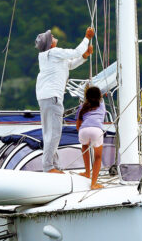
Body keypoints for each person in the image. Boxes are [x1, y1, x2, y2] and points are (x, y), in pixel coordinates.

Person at [35, 26, 94, 173]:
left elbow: (70, 65)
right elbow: (75, 52)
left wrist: (84, 56)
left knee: (50, 132)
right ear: (50, 44)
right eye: (52, 37)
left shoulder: (49, 57)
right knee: (54, 133)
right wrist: (87, 37)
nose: (54, 37)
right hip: (52, 97)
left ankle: (53, 165)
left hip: (45, 97)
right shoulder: (54, 53)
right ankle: (48, 167)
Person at [76, 85, 106, 189]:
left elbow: (78, 125)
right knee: (97, 158)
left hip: (83, 130)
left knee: (85, 146)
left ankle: (87, 172)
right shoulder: (102, 106)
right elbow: (100, 98)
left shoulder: (82, 107)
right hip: (96, 130)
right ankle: (93, 184)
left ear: (86, 97)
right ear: (99, 97)